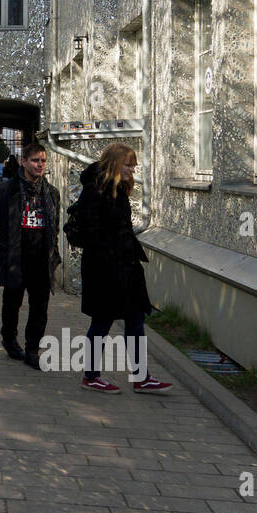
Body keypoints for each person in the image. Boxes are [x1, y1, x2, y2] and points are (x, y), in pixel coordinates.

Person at [72, 142, 173, 394]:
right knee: (102, 321)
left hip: (127, 268)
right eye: (128, 165)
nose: (132, 170)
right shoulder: (94, 191)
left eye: (133, 166)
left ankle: (141, 377)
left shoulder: (118, 190)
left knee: (136, 319)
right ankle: (91, 376)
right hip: (104, 270)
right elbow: (88, 232)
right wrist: (111, 256)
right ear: (115, 164)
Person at [0, 141, 60, 368]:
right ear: (24, 162)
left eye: (43, 161)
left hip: (41, 259)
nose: (40, 165)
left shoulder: (51, 192)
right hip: (16, 258)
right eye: (35, 160)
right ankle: (9, 339)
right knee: (12, 304)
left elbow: (54, 225)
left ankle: (32, 350)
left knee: (40, 307)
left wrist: (53, 252)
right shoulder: (7, 190)